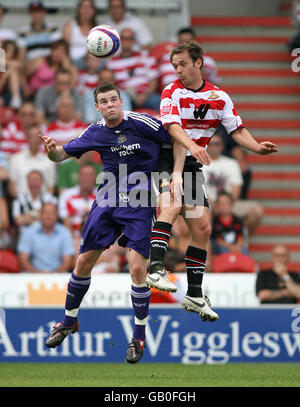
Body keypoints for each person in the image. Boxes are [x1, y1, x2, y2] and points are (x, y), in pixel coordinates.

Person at [41, 81, 206, 363]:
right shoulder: (95, 131)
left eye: (113, 99)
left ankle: (138, 337)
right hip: (107, 199)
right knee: (82, 263)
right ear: (97, 107)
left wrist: (176, 175)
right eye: (103, 101)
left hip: (140, 201)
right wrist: (51, 150)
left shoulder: (143, 124)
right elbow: (60, 155)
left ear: (121, 101)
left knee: (137, 269)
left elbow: (175, 137)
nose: (109, 105)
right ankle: (68, 321)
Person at [146, 41, 277, 323]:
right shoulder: (172, 91)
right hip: (166, 156)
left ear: (198, 63)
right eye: (174, 65)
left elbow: (236, 129)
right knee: (170, 206)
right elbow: (172, 127)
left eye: (182, 64)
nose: (178, 70)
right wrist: (192, 147)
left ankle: (194, 293)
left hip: (192, 159)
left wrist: (255, 147)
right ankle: (155, 267)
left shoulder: (219, 97)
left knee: (203, 226)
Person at [202, 132, 263, 236]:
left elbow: (236, 189)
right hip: (206, 205)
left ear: (222, 146)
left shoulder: (232, 163)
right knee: (195, 212)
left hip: (230, 203)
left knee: (256, 211)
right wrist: (214, 205)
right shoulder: (198, 163)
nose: (214, 147)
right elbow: (199, 190)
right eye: (211, 144)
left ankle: (240, 236)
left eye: (217, 144)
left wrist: (225, 205)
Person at [106, 28, 160, 111]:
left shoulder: (145, 56)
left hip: (146, 95)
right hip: (123, 98)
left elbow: (153, 80)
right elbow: (110, 84)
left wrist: (144, 94)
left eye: (130, 39)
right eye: (124, 38)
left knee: (159, 101)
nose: (126, 41)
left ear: (134, 41)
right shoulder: (111, 63)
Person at [17, 202, 75, 273]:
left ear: (57, 215)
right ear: (40, 215)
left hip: (59, 275)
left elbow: (67, 262)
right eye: (45, 212)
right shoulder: (29, 232)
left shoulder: (65, 232)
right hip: (32, 275)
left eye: (52, 213)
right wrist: (37, 274)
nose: (48, 216)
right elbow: (23, 259)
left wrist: (53, 275)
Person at [8, 124, 56, 198]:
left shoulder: (49, 161)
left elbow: (51, 188)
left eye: (38, 137)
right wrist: (24, 202)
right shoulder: (15, 159)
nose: (35, 140)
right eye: (32, 136)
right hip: (21, 203)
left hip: (42, 204)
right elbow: (12, 187)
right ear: (27, 138)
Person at [12, 169, 57, 234]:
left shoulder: (51, 199)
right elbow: (18, 220)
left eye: (37, 180)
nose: (34, 184)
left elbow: (52, 219)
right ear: (27, 182)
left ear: (42, 182)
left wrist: (27, 216)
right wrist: (41, 216)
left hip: (46, 236)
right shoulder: (19, 199)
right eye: (32, 180)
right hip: (25, 237)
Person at [58, 164, 97, 234]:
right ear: (78, 176)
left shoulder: (102, 196)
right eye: (84, 175)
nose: (86, 179)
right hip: (73, 237)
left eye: (90, 175)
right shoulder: (67, 195)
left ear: (95, 177)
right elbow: (66, 221)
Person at [211, 191, 249, 255]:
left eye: (226, 203)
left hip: (236, 246)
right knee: (222, 250)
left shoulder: (237, 220)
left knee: (244, 251)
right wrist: (230, 247)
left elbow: (240, 237)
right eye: (221, 204)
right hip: (222, 247)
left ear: (231, 204)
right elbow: (216, 240)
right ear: (217, 206)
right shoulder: (215, 221)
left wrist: (238, 246)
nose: (224, 206)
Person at [62, 0, 98, 69]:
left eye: (89, 7)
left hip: (93, 63)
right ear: (78, 9)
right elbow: (64, 49)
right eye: (84, 7)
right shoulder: (70, 26)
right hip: (74, 63)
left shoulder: (98, 28)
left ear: (93, 10)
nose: (86, 10)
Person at [0, 40, 24, 109]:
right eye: (7, 50)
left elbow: (20, 65)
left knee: (14, 72)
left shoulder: (14, 64)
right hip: (2, 94)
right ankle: (16, 99)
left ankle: (16, 98)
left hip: (11, 93)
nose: (10, 53)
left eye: (12, 50)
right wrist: (6, 75)